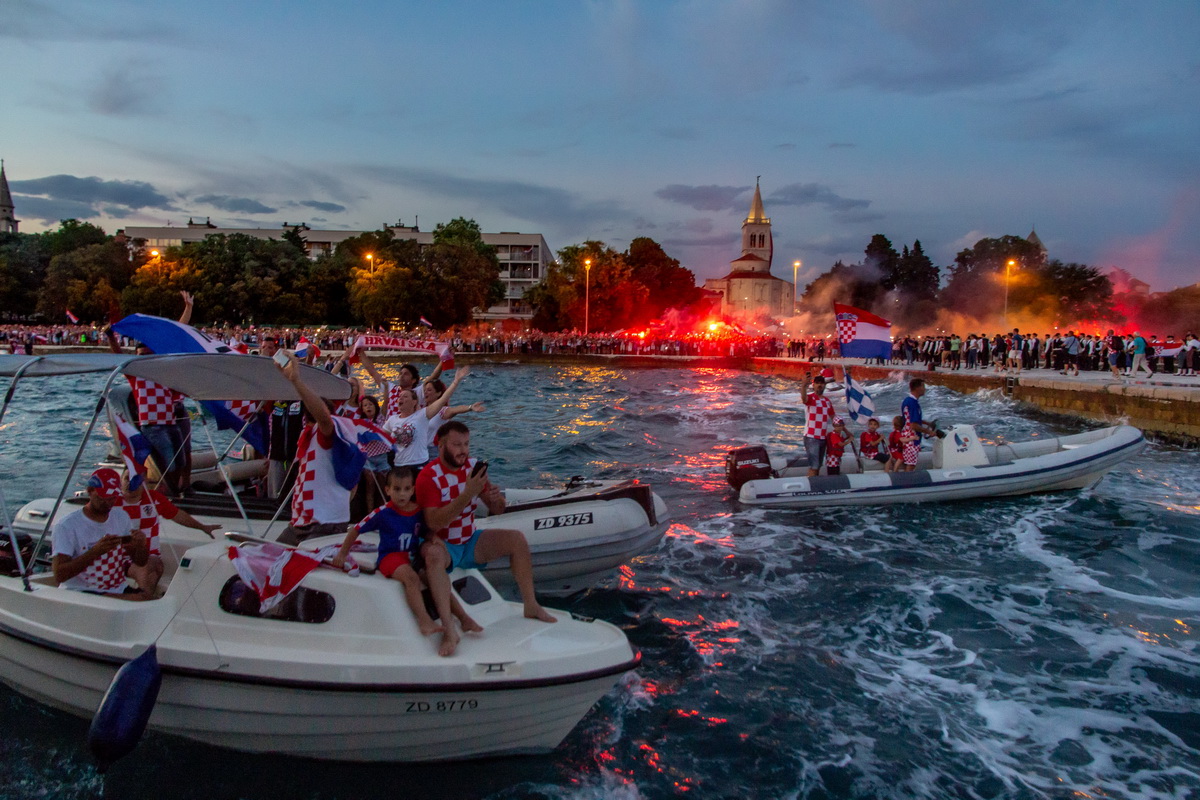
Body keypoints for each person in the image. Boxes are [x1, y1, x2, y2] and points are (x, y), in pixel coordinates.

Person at [416, 420, 555, 656]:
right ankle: (449, 629)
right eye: (457, 445)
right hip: (444, 543)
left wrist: (495, 499)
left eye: (466, 444)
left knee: (517, 540)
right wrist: (467, 494)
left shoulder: (474, 469)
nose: (463, 450)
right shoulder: (428, 477)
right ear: (440, 445)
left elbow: (497, 510)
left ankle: (530, 605)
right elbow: (434, 523)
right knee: (432, 555)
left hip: (469, 540)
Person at [331, 467, 480, 651]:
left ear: (413, 490)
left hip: (410, 556)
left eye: (407, 489)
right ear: (388, 490)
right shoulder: (383, 512)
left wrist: (434, 539)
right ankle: (424, 620)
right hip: (390, 558)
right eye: (397, 489)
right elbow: (356, 529)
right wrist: (342, 553)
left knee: (435, 580)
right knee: (411, 578)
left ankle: (463, 618)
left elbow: (426, 532)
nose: (402, 494)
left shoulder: (417, 512)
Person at [275, 352, 355, 546]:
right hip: (302, 522)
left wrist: (296, 381)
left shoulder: (326, 431)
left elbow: (323, 417)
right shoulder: (309, 435)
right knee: (274, 556)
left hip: (324, 523)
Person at [51, 468, 151, 600]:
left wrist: (140, 545)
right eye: (102, 498)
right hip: (81, 591)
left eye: (112, 498)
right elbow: (59, 575)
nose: (108, 503)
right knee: (142, 601)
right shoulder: (67, 526)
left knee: (150, 600)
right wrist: (95, 552)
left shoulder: (121, 517)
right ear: (90, 491)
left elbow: (140, 561)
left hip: (117, 588)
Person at [121, 475, 220, 596]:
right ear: (121, 480)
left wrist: (203, 527)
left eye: (136, 480)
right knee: (148, 569)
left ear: (145, 482)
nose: (131, 484)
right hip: (117, 557)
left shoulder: (154, 498)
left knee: (150, 567)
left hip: (147, 557)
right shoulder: (111, 501)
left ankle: (142, 600)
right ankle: (143, 601)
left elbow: (177, 515)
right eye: (127, 478)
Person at [383, 367, 470, 469]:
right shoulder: (392, 420)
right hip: (398, 465)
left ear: (414, 401)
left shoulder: (422, 415)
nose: (401, 398)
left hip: (419, 465)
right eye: (400, 397)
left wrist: (456, 381)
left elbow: (443, 400)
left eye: (405, 396)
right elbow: (381, 436)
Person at [422, 380, 486, 462]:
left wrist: (470, 407)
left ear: (438, 393)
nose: (425, 392)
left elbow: (454, 410)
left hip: (433, 451)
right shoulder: (421, 411)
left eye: (429, 390)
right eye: (425, 390)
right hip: (420, 450)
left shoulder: (442, 412)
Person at [799, 371, 837, 477]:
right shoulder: (810, 398)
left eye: (822, 383)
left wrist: (844, 431)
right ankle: (811, 488)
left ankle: (814, 485)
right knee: (814, 466)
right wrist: (803, 385)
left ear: (825, 385)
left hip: (822, 438)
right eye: (817, 383)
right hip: (811, 437)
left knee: (818, 465)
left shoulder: (827, 401)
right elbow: (803, 398)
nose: (820, 385)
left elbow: (834, 417)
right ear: (813, 385)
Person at [899, 378, 937, 472]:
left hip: (906, 435)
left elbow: (910, 419)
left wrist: (928, 423)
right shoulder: (913, 404)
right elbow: (914, 425)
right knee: (911, 465)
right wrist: (929, 432)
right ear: (917, 388)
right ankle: (908, 484)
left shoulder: (908, 401)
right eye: (923, 386)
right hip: (912, 438)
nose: (925, 389)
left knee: (909, 463)